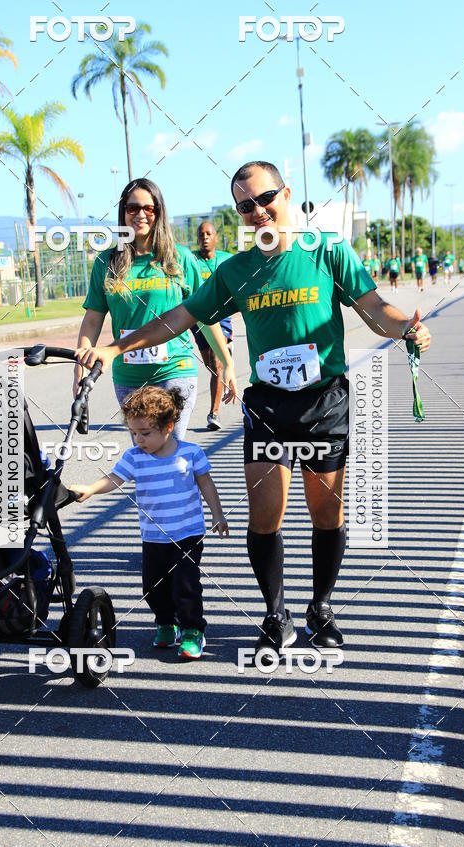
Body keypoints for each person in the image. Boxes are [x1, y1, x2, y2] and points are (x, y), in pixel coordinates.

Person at [77, 160, 431, 654]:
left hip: (324, 402)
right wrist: (115, 348)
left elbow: (373, 308)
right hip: (268, 407)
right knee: (265, 517)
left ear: (286, 196)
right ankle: (275, 612)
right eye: (246, 206)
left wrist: (407, 328)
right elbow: (179, 318)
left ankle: (320, 607)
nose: (257, 211)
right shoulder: (235, 271)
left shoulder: (327, 251)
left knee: (326, 513)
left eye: (265, 199)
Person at [70, 386, 229, 659]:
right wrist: (91, 488)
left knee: (185, 585)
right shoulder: (135, 458)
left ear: (168, 427)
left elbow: (206, 484)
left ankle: (192, 630)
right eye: (134, 433)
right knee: (152, 587)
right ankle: (166, 623)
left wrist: (218, 513)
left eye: (145, 433)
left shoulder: (191, 453)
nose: (138, 439)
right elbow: (115, 479)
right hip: (153, 536)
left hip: (187, 533)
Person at [74, 177, 235, 440]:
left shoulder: (180, 258)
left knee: (169, 448)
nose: (140, 215)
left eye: (149, 208)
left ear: (159, 212)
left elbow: (205, 316)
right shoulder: (107, 262)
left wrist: (226, 363)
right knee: (144, 452)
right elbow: (93, 318)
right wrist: (79, 370)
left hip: (174, 369)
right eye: (132, 208)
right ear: (123, 212)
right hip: (128, 376)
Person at [191, 221, 234, 430]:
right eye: (201, 234)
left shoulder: (227, 259)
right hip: (197, 318)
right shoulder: (190, 260)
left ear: (215, 237)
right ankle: (223, 360)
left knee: (217, 364)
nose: (205, 237)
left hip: (221, 317)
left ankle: (213, 413)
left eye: (209, 234)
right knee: (209, 363)